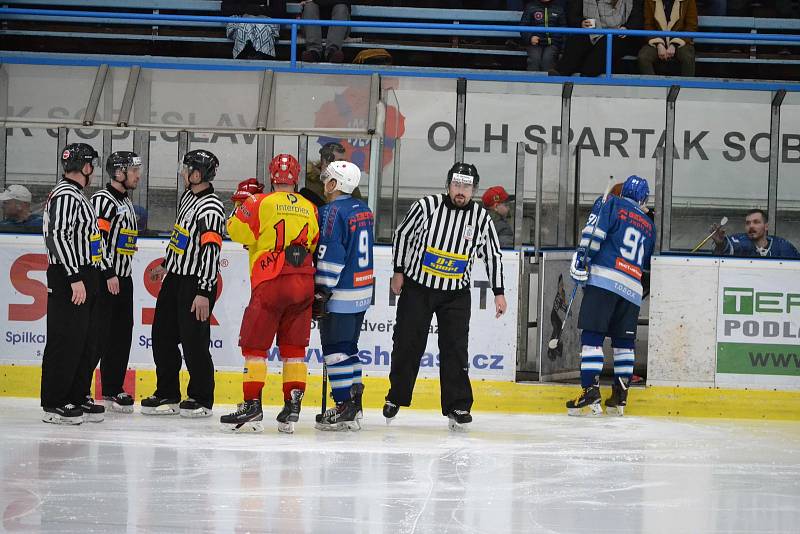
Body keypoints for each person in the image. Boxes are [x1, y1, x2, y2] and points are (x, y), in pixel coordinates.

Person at [384, 162, 507, 431]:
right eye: (456, 185)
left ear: (474, 189)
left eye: (466, 186)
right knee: (407, 342)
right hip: (419, 287)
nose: (460, 191)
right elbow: (403, 235)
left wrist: (498, 292)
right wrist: (399, 271)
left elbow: (493, 255)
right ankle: (396, 396)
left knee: (455, 349)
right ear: (448, 185)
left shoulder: (481, 218)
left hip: (456, 294)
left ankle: (458, 404)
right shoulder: (427, 206)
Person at [220, 154, 320, 434]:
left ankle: (252, 404)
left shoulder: (259, 201)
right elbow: (313, 241)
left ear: (272, 175)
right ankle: (292, 406)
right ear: (296, 176)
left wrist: (240, 204)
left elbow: (236, 231)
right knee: (294, 349)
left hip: (271, 279)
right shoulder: (310, 207)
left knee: (255, 347)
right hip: (303, 280)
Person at [141, 150, 225, 418]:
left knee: (194, 342)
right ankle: (168, 392)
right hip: (175, 278)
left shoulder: (211, 208)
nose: (182, 172)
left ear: (197, 174)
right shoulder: (188, 198)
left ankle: (201, 397)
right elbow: (181, 237)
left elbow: (211, 253)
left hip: (196, 283)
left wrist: (203, 292)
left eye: (186, 168)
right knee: (162, 336)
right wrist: (167, 264)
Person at [567, 175, 655, 417]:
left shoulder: (610, 203)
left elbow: (593, 234)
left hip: (605, 280)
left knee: (592, 337)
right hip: (632, 290)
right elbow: (647, 262)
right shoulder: (649, 224)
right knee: (624, 343)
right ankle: (620, 398)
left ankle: (590, 391)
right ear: (643, 198)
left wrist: (581, 259)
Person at [40, 143, 106, 424]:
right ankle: (55, 402)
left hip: (84, 272)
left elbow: (86, 239)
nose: (93, 170)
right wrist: (74, 276)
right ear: (85, 167)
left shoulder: (77, 194)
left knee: (84, 338)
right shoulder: (66, 195)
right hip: (70, 274)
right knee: (64, 338)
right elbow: (58, 236)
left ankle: (77, 394)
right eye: (91, 164)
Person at [312, 160, 374, 432]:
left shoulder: (331, 212)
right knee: (349, 348)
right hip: (362, 290)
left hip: (341, 292)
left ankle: (342, 407)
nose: (325, 183)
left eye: (329, 179)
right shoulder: (364, 208)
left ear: (336, 184)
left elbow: (332, 254)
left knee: (335, 351)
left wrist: (322, 291)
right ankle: (353, 404)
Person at [89, 151, 141, 414]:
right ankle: (79, 389)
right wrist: (109, 272)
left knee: (121, 335)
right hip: (106, 278)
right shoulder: (103, 200)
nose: (138, 175)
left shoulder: (126, 201)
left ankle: (112, 388)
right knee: (98, 336)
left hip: (124, 278)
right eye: (133, 170)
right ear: (119, 172)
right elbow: (96, 238)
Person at [550, 0, 643, 77]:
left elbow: (638, 18)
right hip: (592, 30)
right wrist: (581, 22)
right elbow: (572, 15)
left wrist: (627, 27)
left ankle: (587, 76)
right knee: (577, 39)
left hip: (620, 35)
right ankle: (560, 72)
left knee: (606, 43)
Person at [637, 0, 697, 77]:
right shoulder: (650, 1)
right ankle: (653, 86)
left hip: (682, 41)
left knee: (688, 57)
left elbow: (691, 26)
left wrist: (674, 44)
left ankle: (686, 87)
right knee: (643, 57)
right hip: (657, 39)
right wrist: (659, 44)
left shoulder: (688, 1)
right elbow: (648, 25)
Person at [711, 209, 800, 259]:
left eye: (756, 222)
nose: (751, 226)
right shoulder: (739, 240)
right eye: (748, 223)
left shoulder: (782, 246)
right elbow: (722, 252)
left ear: (766, 226)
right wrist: (720, 244)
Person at [300, 142, 363, 207]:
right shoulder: (307, 182)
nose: (344, 165)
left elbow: (358, 207)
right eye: (340, 161)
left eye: (345, 161)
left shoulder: (348, 181)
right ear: (326, 162)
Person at [520, 0, 567, 72]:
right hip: (535, 43)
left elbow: (563, 29)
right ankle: (533, 81)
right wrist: (530, 37)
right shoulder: (530, 7)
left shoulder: (559, 9)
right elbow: (523, 26)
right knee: (535, 59)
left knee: (548, 59)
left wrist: (562, 49)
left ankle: (549, 82)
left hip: (552, 43)